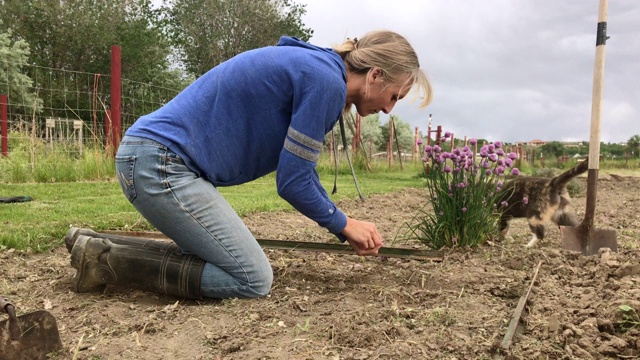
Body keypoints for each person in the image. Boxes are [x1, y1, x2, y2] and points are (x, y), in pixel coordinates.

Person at [68, 30, 433, 300]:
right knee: (251, 278)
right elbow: (291, 182)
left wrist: (342, 225)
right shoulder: (326, 83)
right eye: (394, 96)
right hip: (161, 166)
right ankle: (107, 265)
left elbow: (301, 172)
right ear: (375, 76)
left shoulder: (319, 70)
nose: (389, 109)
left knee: (216, 255)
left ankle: (96, 247)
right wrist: (344, 223)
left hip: (151, 158)